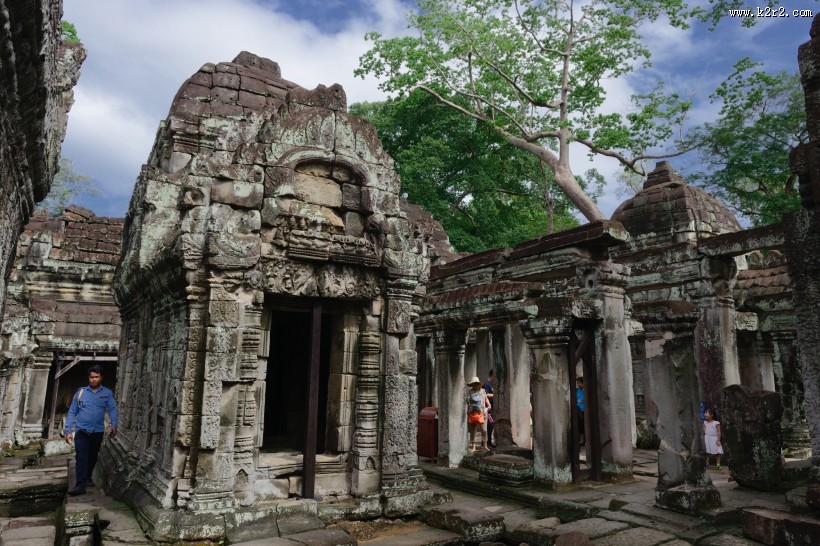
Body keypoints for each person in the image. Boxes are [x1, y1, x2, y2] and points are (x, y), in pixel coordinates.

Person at [64, 365, 118, 495]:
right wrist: (68, 431)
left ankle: (87, 477)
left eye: (96, 377)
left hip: (97, 431)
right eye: (92, 377)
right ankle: (80, 485)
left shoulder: (107, 393)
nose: (94, 379)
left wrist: (114, 425)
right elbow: (72, 412)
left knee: (92, 456)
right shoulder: (81, 393)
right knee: (81, 457)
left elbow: (112, 409)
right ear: (89, 378)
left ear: (101, 378)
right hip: (82, 430)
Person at [465, 376, 491, 453]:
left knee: (484, 430)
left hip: (482, 413)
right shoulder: (470, 392)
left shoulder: (483, 391)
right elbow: (467, 402)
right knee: (473, 430)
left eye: (476, 384)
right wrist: (467, 412)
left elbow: (486, 399)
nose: (475, 385)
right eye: (473, 384)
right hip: (472, 413)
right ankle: (473, 447)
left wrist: (488, 406)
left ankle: (485, 446)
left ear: (479, 384)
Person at [483, 370, 496, 448]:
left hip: (493, 408)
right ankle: (486, 442)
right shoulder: (486, 384)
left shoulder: (493, 384)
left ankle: (489, 442)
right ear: (491, 375)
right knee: (489, 424)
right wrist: (495, 395)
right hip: (488, 409)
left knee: (491, 425)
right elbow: (485, 394)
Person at [576, 377, 585, 446]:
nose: (578, 384)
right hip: (579, 411)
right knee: (580, 426)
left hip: (586, 412)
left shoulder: (586, 390)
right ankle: (582, 440)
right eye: (577, 383)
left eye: (579, 383)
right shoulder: (577, 391)